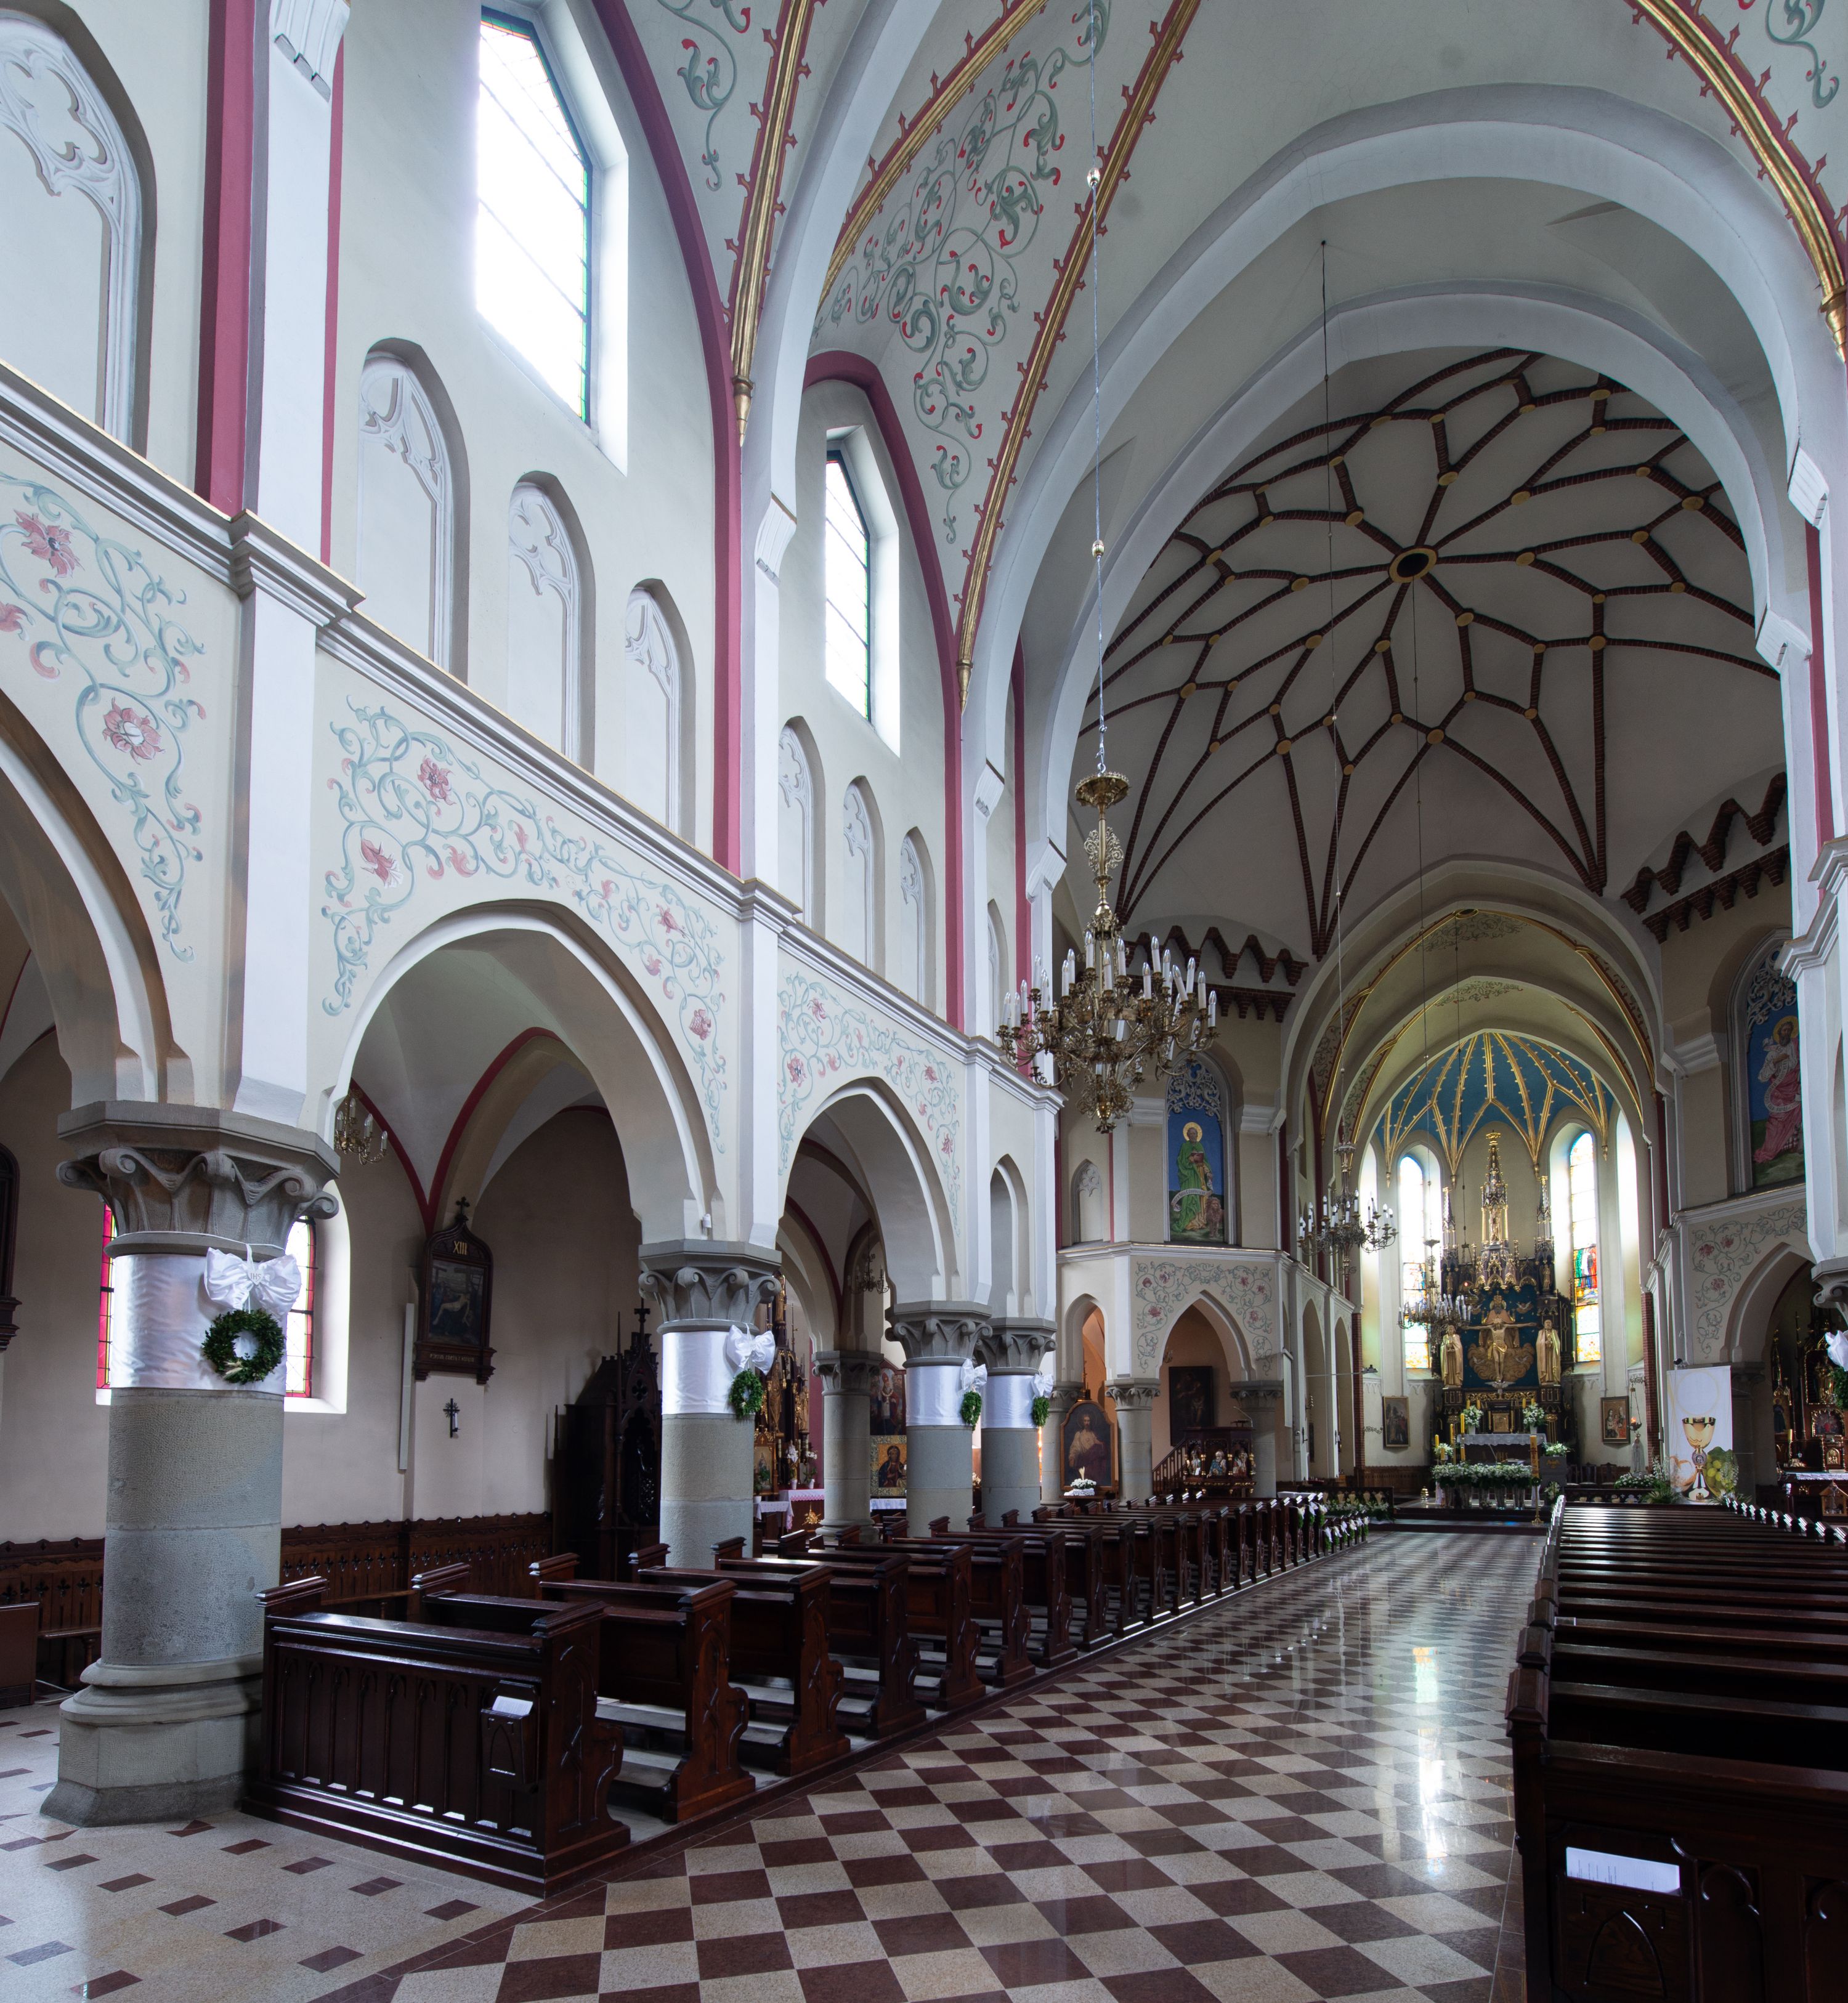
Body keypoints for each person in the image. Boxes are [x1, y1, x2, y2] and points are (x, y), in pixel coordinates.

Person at [1754, 1015, 1802, 1168]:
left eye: (1789, 1030)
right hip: (1779, 1093)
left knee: (1797, 1118)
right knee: (1776, 1123)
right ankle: (1770, 1151)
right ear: (1779, 1033)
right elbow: (1762, 1077)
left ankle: (1794, 1146)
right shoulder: (1773, 1053)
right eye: (1784, 1030)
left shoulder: (1795, 1048)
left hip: (1794, 1089)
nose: (1786, 1033)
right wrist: (1775, 1062)